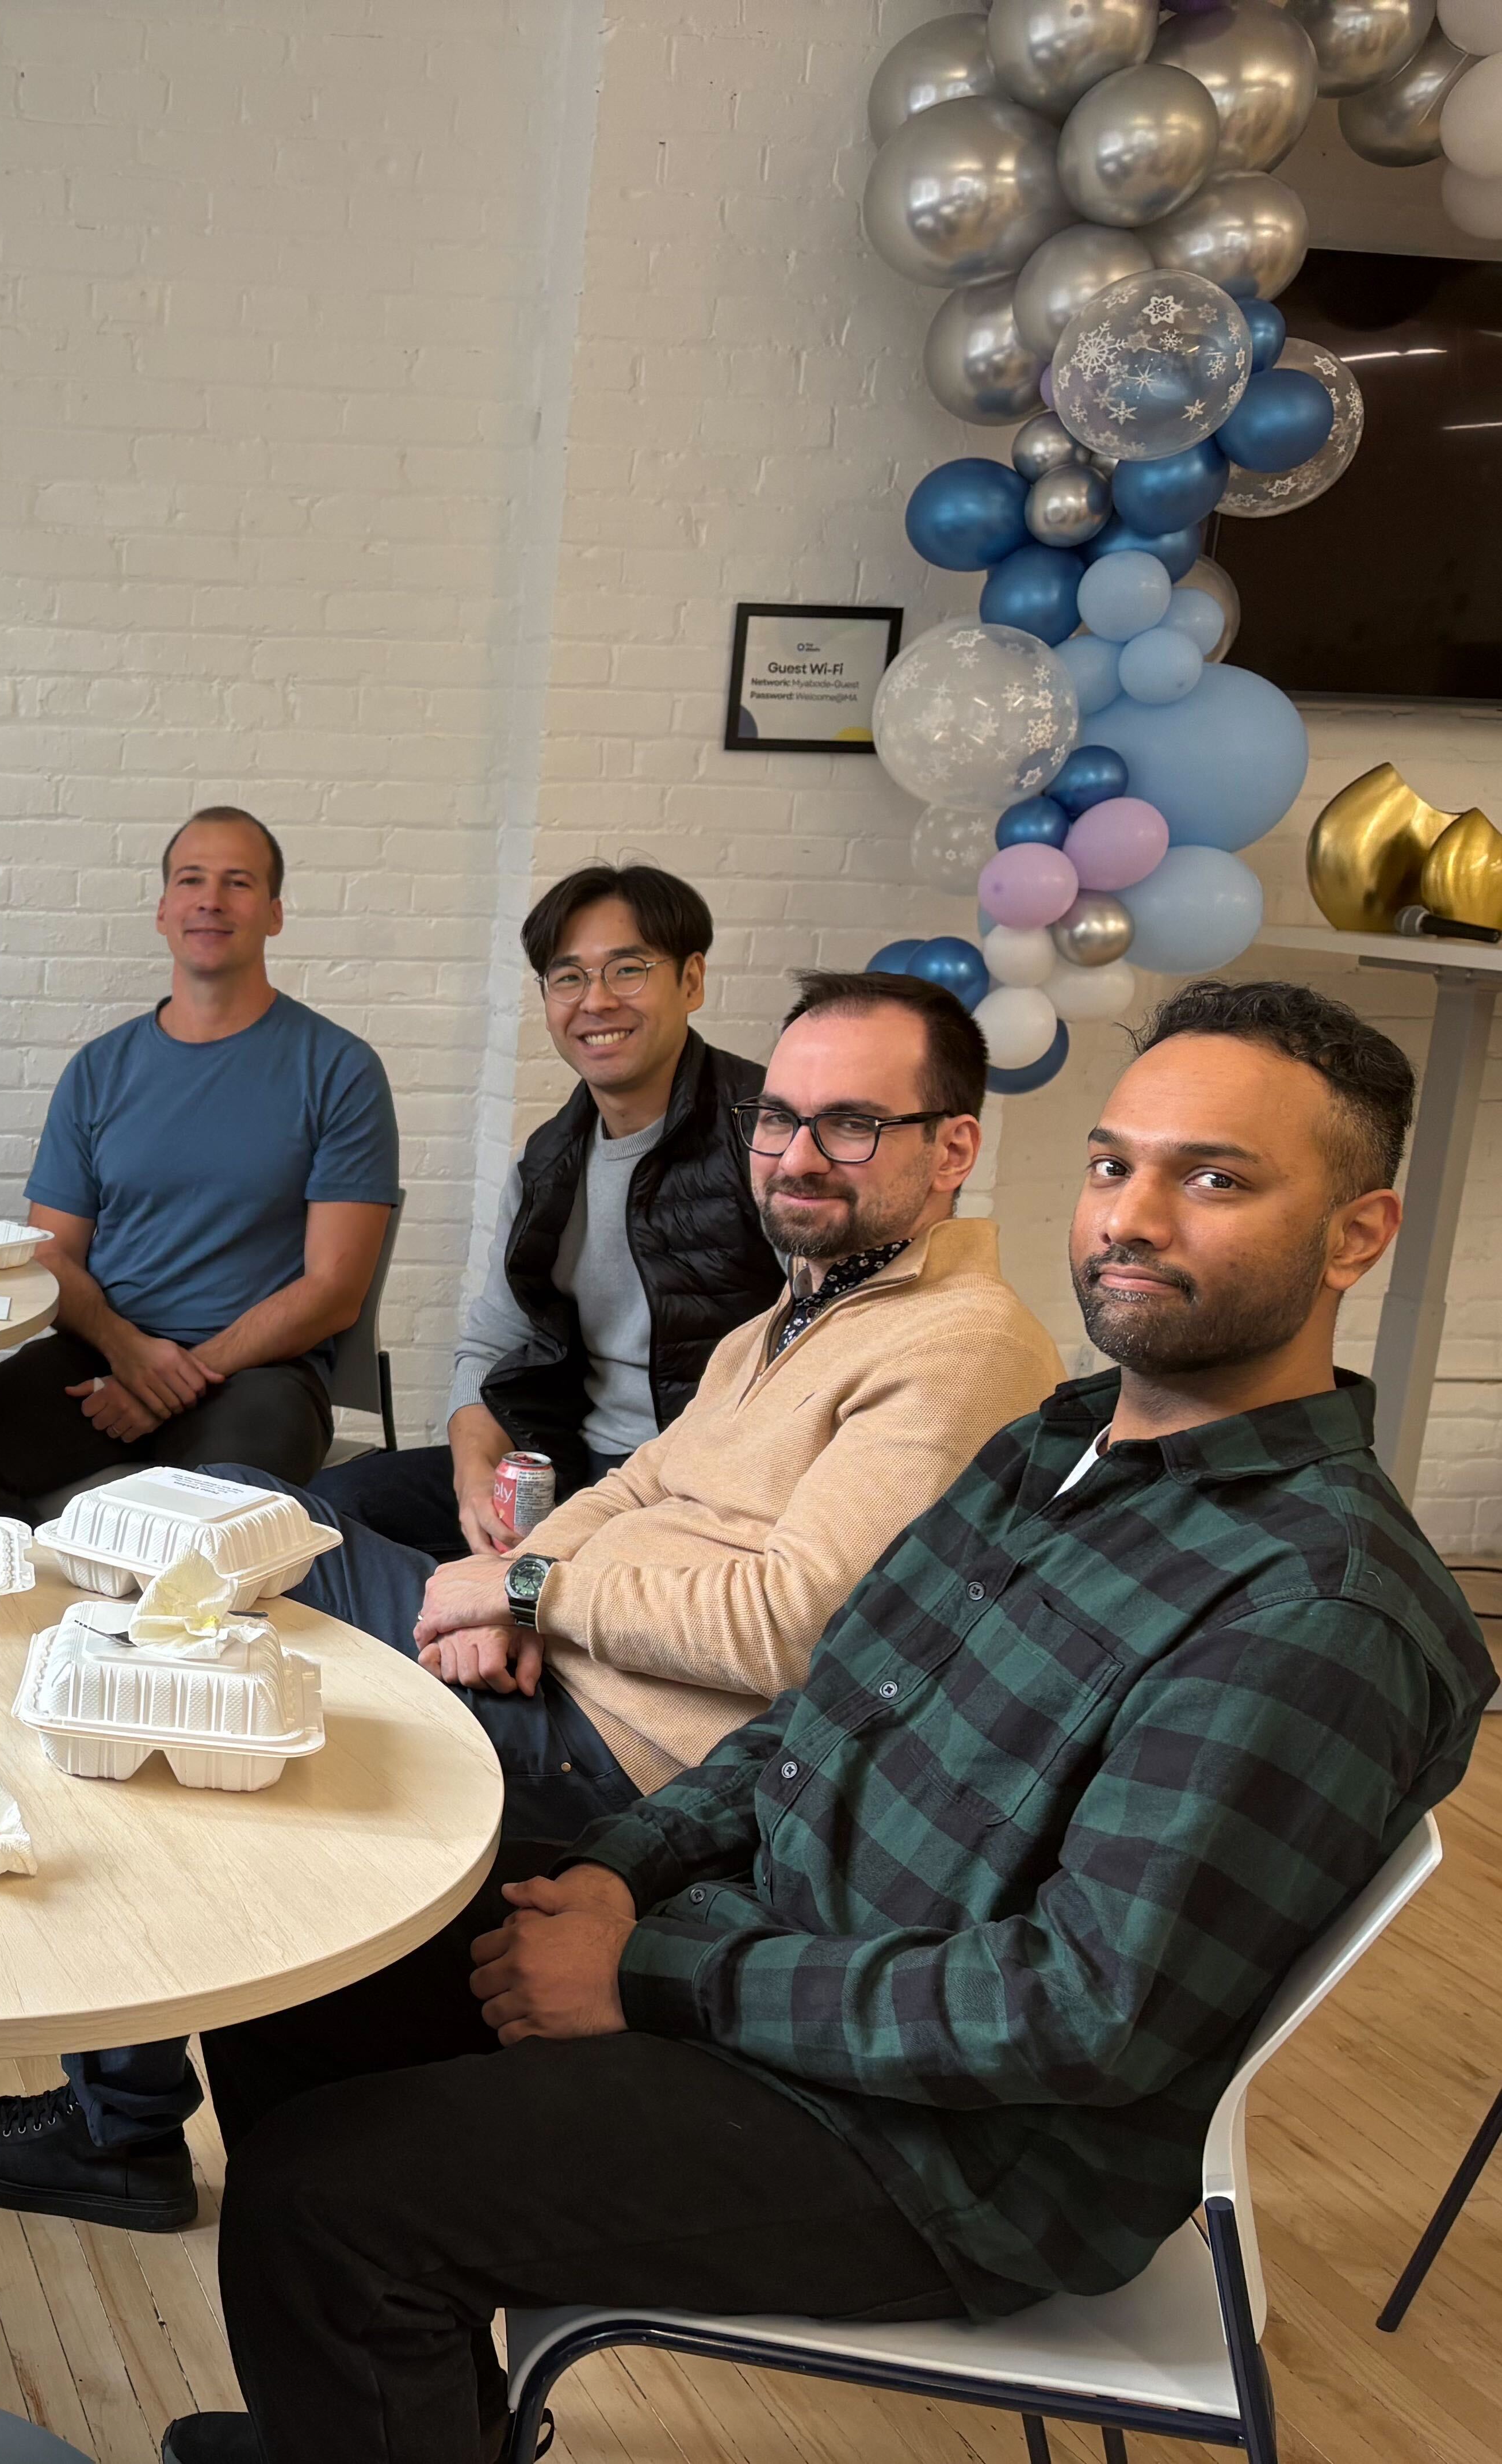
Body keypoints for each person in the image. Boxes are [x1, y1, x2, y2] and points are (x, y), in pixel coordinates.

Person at [153, 979, 1493, 2464]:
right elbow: (825, 1708)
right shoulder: (1057, 1444)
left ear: (1356, 1235)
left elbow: (1074, 2011)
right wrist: (623, 1869)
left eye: (1217, 1178)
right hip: (786, 1965)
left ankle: (359, 2376)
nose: (1134, 1217)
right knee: (309, 1978)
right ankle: (384, 2420)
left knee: (331, 2200)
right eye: (1117, 1163)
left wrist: (651, 1968)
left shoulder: (1313, 1606)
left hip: (943, 2147)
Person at [0, 969, 1063, 2234]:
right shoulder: (794, 1317)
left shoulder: (965, 1346)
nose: (797, 1155)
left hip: (623, 1753)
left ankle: (113, 2127)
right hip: (556, 1661)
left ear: (953, 1147)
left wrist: (530, 1587)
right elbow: (633, 1487)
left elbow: (799, 1628)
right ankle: (120, 2106)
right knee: (215, 1515)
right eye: (779, 1119)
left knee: (182, 1681)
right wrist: (515, 1601)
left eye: (850, 1123)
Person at [0, 808, 400, 1520]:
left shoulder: (339, 1069)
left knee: (198, 1518)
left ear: (274, 913)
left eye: (238, 883)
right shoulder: (99, 1071)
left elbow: (333, 1292)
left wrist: (177, 1377)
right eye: (191, 880)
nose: (211, 900)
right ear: (164, 909)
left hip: (263, 1377)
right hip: (105, 1353)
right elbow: (51, 1256)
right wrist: (129, 1353)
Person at [314, 864, 783, 1560]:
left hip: (709, 1495)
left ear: (691, 981)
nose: (595, 1002)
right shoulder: (548, 1162)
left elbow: (833, 1342)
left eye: (627, 970)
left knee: (543, 1597)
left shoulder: (773, 1134)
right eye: (568, 978)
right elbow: (490, 1344)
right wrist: (475, 1480)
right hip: (568, 1470)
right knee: (331, 1514)